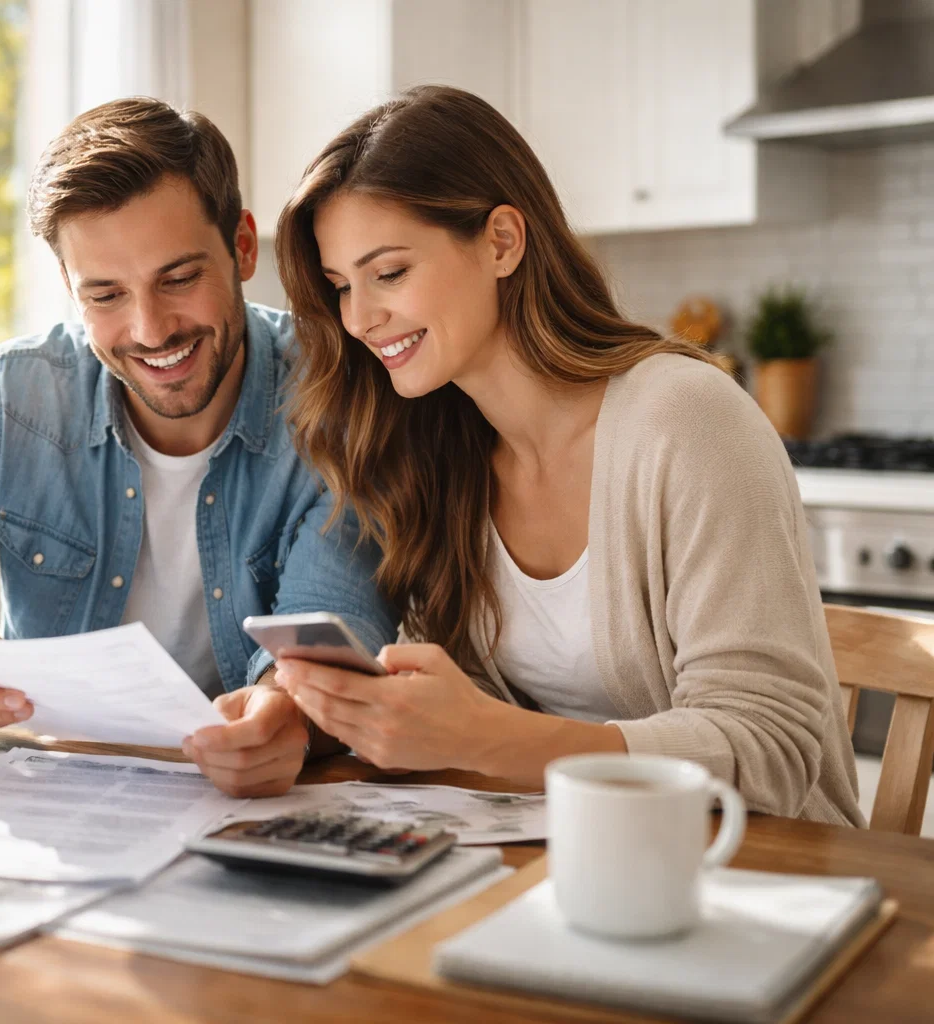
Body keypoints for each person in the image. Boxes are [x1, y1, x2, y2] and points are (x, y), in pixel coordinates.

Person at [269, 85, 862, 826]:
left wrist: (495, 740)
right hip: (576, 865)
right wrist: (313, 715)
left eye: (388, 273)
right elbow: (458, 724)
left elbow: (772, 746)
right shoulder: (441, 454)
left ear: (502, 242)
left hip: (762, 876)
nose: (359, 318)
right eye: (340, 287)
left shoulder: (686, 421)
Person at [0, 97, 398, 798]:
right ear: (69, 289)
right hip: (55, 809)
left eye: (180, 278)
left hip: (249, 816)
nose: (150, 329)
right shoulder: (10, 400)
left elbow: (332, 642)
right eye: (104, 295)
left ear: (244, 246)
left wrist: (284, 717)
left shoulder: (341, 396)